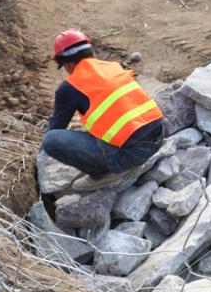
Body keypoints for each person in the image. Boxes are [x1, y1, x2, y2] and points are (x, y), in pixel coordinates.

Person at [42, 29, 164, 191]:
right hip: (158, 137)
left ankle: (105, 175)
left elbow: (56, 128)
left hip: (132, 154)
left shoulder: (69, 87)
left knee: (51, 140)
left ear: (67, 63)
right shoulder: (114, 67)